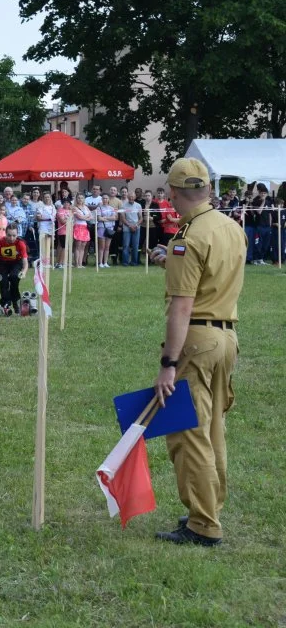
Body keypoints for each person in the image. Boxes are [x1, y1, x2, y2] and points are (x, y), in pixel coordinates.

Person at [149, 157, 245, 546]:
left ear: (172, 194)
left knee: (188, 434)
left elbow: (183, 306)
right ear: (207, 189)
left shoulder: (186, 239)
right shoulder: (230, 227)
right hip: (226, 337)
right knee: (212, 432)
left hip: (198, 340)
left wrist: (168, 364)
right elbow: (212, 281)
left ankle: (202, 524)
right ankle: (207, 509)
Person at [0, 225, 29, 312]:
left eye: (14, 235)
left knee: (14, 277)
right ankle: (5, 303)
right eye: (9, 235)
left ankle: (16, 302)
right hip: (2, 263)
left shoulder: (20, 243)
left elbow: (25, 262)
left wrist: (24, 272)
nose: (11, 238)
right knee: (3, 282)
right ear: (5, 234)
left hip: (16, 262)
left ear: (17, 234)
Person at [119, 192, 143, 266]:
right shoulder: (123, 206)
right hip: (127, 228)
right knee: (126, 245)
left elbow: (141, 218)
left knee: (135, 246)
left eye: (132, 197)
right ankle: (125, 262)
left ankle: (134, 262)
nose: (131, 198)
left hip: (136, 228)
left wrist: (135, 226)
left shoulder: (138, 205)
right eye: (130, 197)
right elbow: (123, 218)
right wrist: (130, 226)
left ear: (135, 197)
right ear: (128, 197)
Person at [96, 194, 117, 267]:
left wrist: (105, 218)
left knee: (107, 247)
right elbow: (99, 218)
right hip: (101, 227)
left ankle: (105, 262)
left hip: (110, 228)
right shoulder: (99, 208)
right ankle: (100, 262)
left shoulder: (112, 208)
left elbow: (114, 217)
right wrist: (108, 218)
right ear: (101, 199)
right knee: (101, 246)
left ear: (108, 199)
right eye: (103, 198)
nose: (105, 200)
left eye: (106, 198)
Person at [72, 194, 92, 268]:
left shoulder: (86, 207)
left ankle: (80, 263)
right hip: (78, 226)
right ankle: (76, 263)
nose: (80, 199)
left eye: (82, 198)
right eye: (79, 198)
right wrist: (86, 217)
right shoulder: (74, 208)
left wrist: (85, 217)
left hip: (85, 227)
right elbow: (79, 217)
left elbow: (91, 216)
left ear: (84, 199)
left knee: (83, 247)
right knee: (77, 246)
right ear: (76, 199)